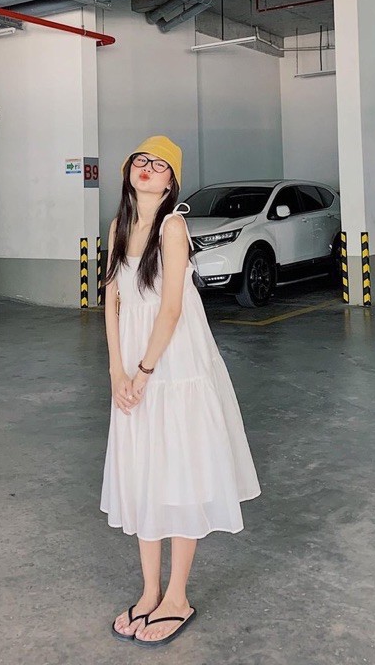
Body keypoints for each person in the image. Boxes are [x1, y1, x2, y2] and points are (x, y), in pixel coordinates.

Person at [100, 135, 261, 648]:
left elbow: (170, 308)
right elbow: (112, 303)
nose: (148, 168)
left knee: (179, 469)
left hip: (173, 363)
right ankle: (149, 592)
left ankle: (177, 597)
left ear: (172, 182)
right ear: (129, 171)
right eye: (140, 161)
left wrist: (144, 371)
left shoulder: (173, 227)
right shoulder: (117, 227)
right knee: (144, 471)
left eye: (160, 165)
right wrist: (117, 373)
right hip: (133, 364)